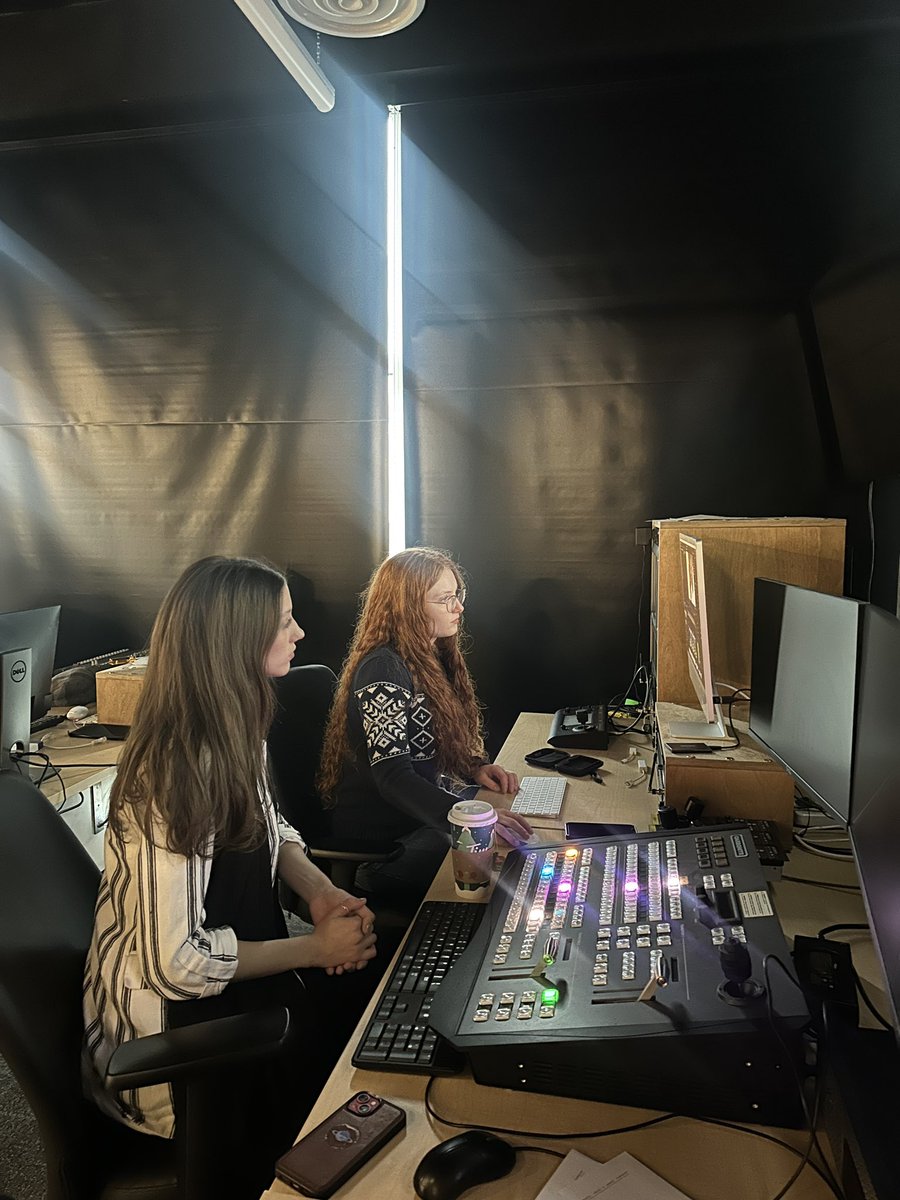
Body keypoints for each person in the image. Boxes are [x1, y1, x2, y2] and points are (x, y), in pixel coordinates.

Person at [83, 556, 376, 1197]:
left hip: (236, 1001)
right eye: (285, 621)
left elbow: (271, 828)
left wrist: (320, 892)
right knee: (363, 1055)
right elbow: (174, 964)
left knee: (376, 1005)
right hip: (179, 1059)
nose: (299, 633)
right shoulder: (175, 775)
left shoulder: (234, 725)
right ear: (237, 639)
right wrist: (315, 948)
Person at [318, 547, 531, 909]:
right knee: (508, 870)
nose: (458, 607)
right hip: (386, 843)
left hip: (417, 821)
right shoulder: (383, 671)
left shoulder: (428, 657)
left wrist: (474, 767)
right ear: (408, 607)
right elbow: (394, 778)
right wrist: (468, 820)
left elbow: (429, 743)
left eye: (458, 595)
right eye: (445, 599)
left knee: (516, 843)